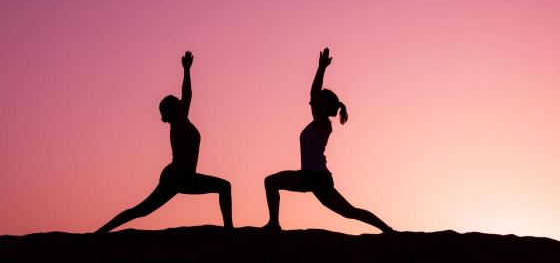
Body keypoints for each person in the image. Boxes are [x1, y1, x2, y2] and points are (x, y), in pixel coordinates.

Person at [96, 51, 233, 233]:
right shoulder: (179, 122)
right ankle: (229, 232)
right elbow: (188, 93)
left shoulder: (180, 120)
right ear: (174, 109)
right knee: (142, 210)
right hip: (176, 176)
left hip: (184, 176)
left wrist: (186, 70)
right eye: (177, 101)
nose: (181, 100)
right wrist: (186, 70)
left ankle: (100, 232)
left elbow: (186, 95)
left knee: (142, 210)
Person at [263, 48, 393, 233]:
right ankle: (274, 224)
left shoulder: (322, 123)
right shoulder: (319, 123)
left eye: (317, 102)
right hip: (312, 177)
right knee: (271, 182)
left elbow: (313, 93)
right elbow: (314, 95)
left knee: (349, 212)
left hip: (315, 178)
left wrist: (321, 68)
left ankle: (386, 229)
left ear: (322, 106)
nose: (312, 102)